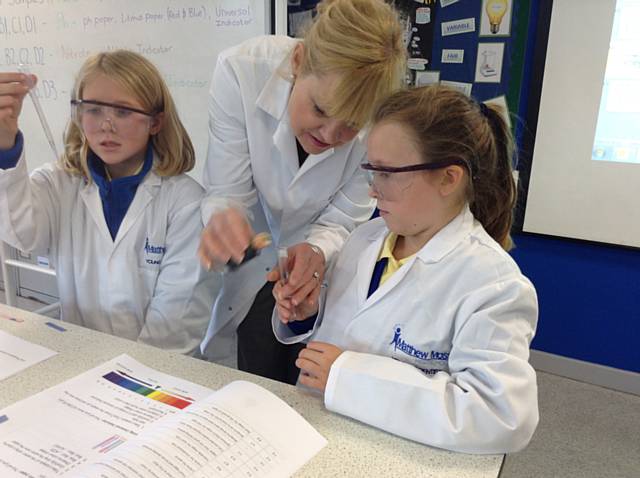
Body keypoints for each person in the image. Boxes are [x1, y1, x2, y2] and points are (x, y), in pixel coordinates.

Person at [272, 85, 539, 453]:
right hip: (319, 434)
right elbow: (345, 330)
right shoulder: (364, 239)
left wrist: (348, 377)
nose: (373, 191)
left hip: (395, 455)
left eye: (387, 173)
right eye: (372, 171)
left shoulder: (493, 284)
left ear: (449, 178)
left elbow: (500, 416)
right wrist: (307, 314)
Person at [198, 0, 406, 382]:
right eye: (321, 110)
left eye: (350, 127)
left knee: (301, 377)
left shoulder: (382, 122)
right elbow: (228, 189)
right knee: (243, 369)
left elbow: (344, 219)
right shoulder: (240, 71)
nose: (329, 136)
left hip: (317, 276)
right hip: (249, 263)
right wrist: (225, 216)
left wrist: (317, 249)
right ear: (298, 60)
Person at [0, 50, 216, 355]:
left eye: (123, 112)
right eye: (94, 110)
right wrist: (4, 146)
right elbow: (22, 234)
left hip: (157, 373)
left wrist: (127, 375)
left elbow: (174, 324)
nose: (106, 126)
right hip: (78, 361)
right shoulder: (60, 183)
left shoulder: (185, 202)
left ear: (155, 122)